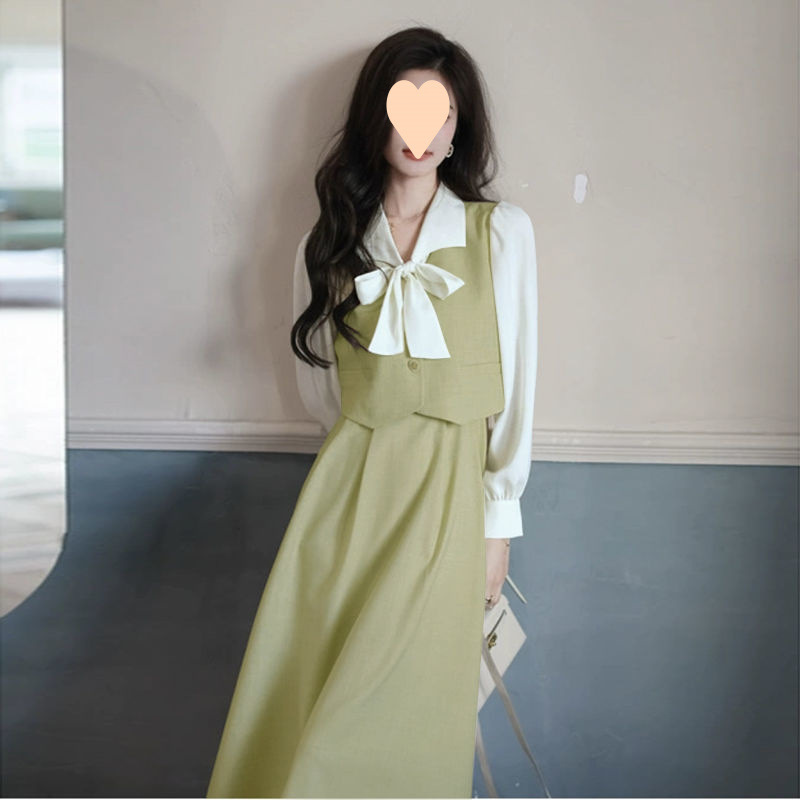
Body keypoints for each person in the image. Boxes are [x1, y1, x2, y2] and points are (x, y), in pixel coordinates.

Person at [206, 25, 538, 799]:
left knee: (399, 719)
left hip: (447, 508)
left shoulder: (501, 235)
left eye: (440, 112)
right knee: (310, 705)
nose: (421, 130)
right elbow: (324, 396)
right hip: (347, 503)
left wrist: (498, 524)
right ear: (375, 119)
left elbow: (519, 389)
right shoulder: (328, 244)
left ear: (458, 127)